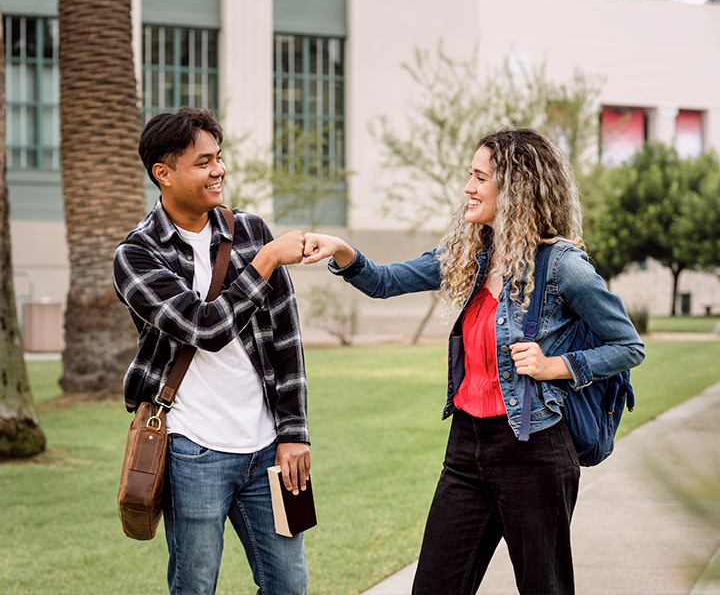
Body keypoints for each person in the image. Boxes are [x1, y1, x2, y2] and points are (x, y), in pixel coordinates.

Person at [303, 127, 645, 595]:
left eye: (480, 177)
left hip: (534, 448)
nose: (468, 187)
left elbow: (629, 346)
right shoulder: (471, 255)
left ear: (515, 189)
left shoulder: (563, 267)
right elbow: (385, 281)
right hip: (466, 448)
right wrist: (343, 251)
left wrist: (555, 366)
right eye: (471, 175)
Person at [113, 107, 311, 595]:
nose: (219, 170)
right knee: (195, 587)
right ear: (164, 174)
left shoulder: (250, 231)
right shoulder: (137, 255)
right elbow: (205, 328)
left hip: (268, 447)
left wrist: (294, 433)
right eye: (203, 162)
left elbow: (286, 337)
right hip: (191, 450)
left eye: (218, 158)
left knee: (291, 586)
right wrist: (266, 261)